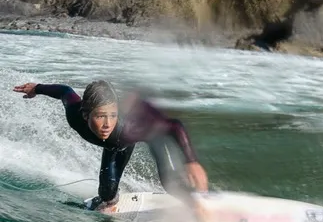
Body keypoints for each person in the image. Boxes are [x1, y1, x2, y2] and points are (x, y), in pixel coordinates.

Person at [13, 80, 208, 213]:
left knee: (169, 183)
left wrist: (191, 161)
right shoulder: (74, 112)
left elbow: (174, 126)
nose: (107, 124)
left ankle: (198, 203)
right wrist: (37, 88)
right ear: (85, 115)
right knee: (106, 195)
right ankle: (109, 199)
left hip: (149, 134)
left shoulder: (129, 128)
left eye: (112, 115)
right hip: (114, 145)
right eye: (100, 116)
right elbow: (65, 91)